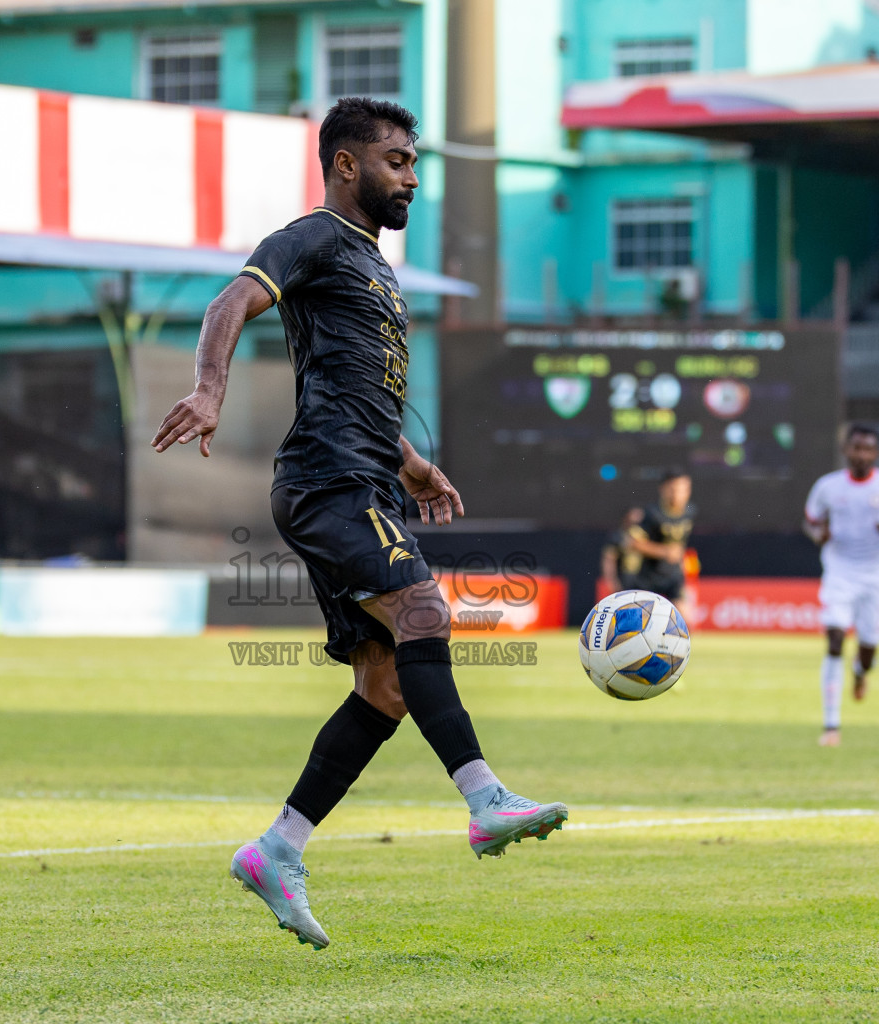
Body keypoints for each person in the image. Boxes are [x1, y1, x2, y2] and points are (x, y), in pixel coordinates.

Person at [151, 97, 568, 951]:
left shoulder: (373, 267)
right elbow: (230, 303)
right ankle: (485, 800)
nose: (411, 176)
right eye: (396, 161)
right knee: (425, 611)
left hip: (365, 479)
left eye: (414, 162)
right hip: (326, 482)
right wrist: (209, 390)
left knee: (385, 687)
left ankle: (278, 849)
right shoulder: (309, 237)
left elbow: (355, 382)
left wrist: (412, 466)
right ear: (346, 165)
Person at [802, 425, 879, 747]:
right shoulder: (827, 487)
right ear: (846, 450)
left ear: (877, 453)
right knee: (835, 639)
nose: (861, 455)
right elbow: (811, 521)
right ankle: (831, 725)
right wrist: (818, 535)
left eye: (867, 449)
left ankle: (861, 671)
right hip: (840, 571)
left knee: (867, 649)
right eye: (856, 448)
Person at [600, 471, 696, 620]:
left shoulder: (690, 512)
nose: (678, 494)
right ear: (663, 489)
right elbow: (631, 543)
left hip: (673, 575)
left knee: (687, 620)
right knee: (637, 622)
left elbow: (679, 545)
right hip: (648, 576)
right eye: (674, 489)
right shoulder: (651, 514)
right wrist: (664, 552)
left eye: (684, 489)